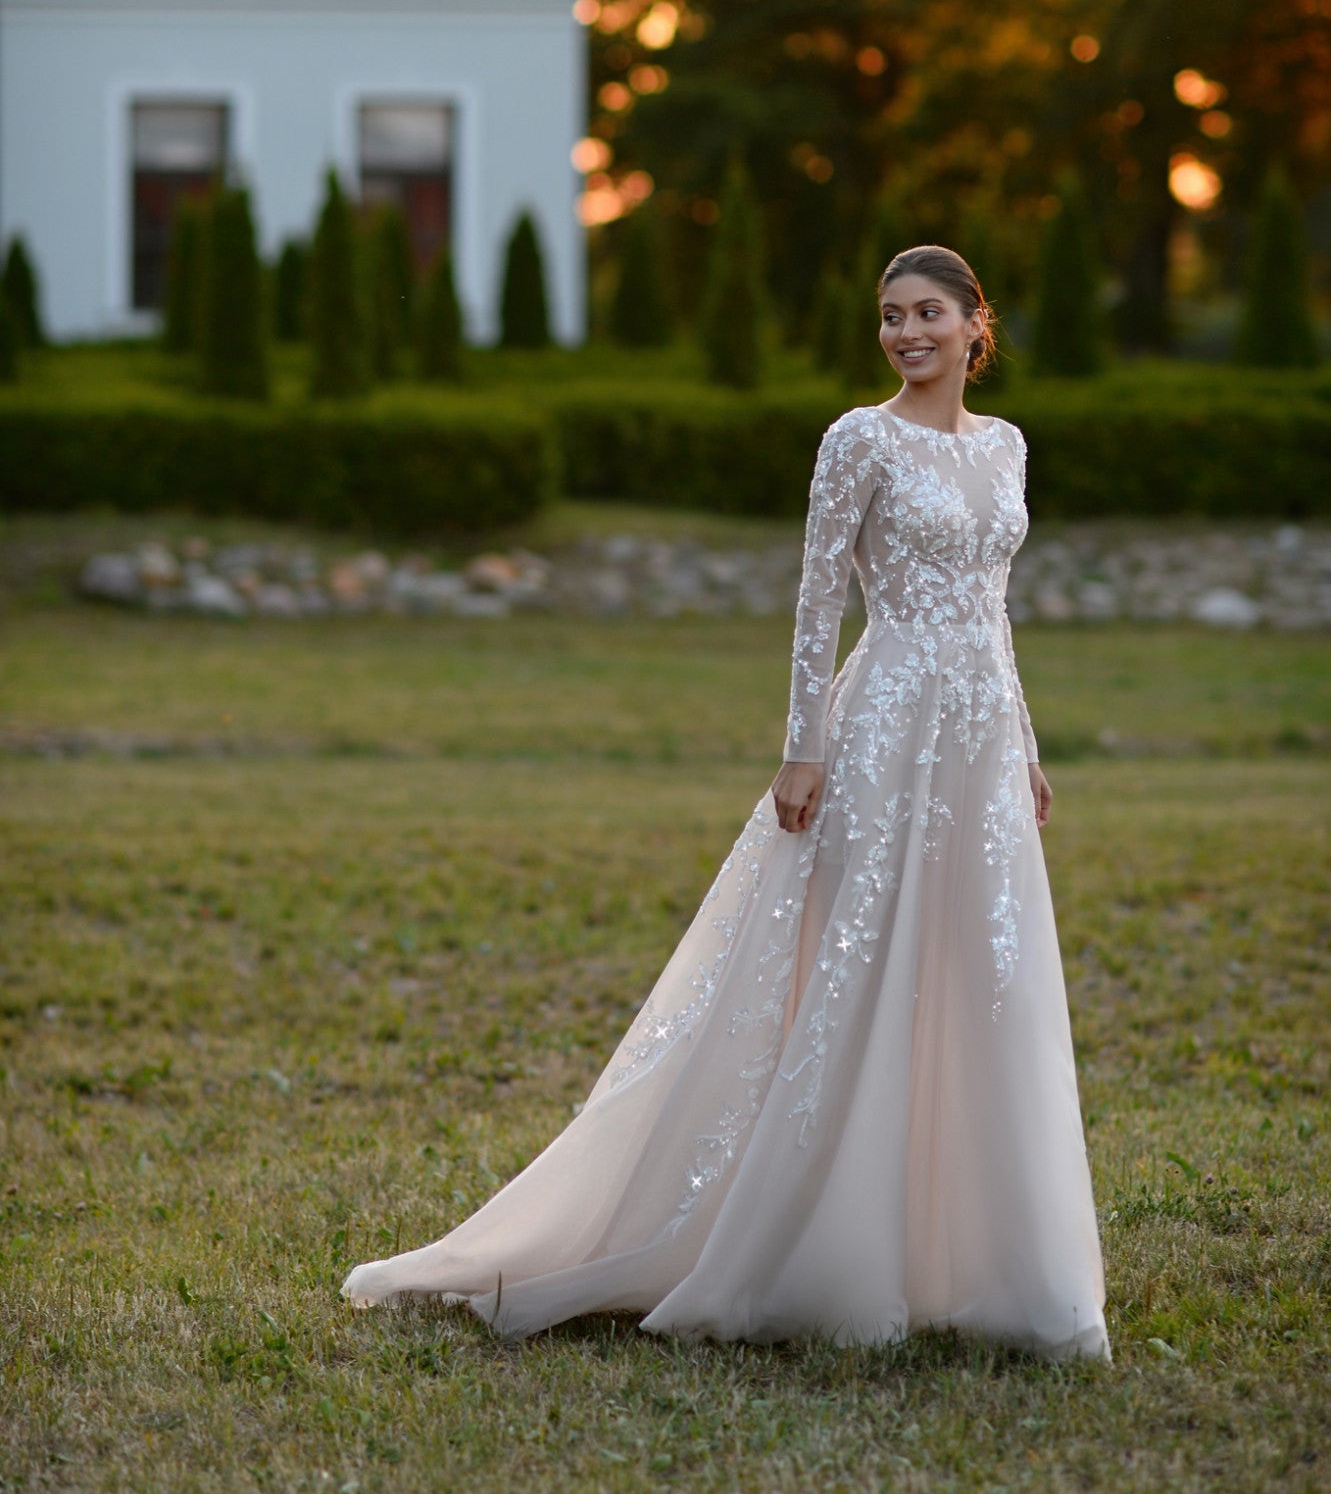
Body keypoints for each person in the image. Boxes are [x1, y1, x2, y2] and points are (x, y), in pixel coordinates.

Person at [342, 244, 1110, 1362]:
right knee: (856, 962)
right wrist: (803, 745)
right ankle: (818, 1252)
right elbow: (813, 597)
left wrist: (1026, 742)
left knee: (977, 973)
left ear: (972, 324)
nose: (905, 332)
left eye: (927, 313)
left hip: (981, 744)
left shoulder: (1006, 448)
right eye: (889, 315)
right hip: (883, 724)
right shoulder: (857, 437)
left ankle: (986, 1262)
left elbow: (993, 607)